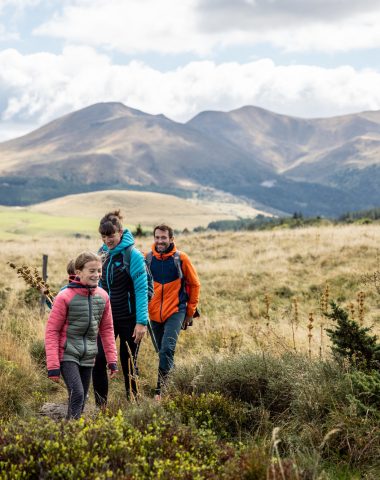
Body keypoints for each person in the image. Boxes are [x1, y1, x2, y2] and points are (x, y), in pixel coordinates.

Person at [45, 251, 118, 420]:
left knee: (81, 398)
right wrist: (53, 366)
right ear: (78, 272)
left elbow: (107, 330)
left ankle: (70, 433)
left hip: (89, 355)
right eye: (92, 271)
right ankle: (72, 432)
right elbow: (52, 331)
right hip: (67, 354)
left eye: (99, 270)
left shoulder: (103, 296)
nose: (97, 275)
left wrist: (112, 361)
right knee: (77, 393)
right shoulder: (64, 297)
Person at [93, 210, 149, 407]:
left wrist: (141, 322)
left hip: (130, 319)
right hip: (106, 319)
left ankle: (133, 404)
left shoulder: (132, 255)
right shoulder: (102, 255)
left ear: (120, 232)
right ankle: (101, 406)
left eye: (111, 235)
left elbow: (142, 289)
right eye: (104, 235)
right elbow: (96, 285)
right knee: (98, 358)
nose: (108, 239)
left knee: (128, 361)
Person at [147, 224, 200, 400]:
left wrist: (190, 312)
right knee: (163, 351)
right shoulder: (148, 259)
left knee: (167, 349)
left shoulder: (181, 259)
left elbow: (194, 285)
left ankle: (159, 391)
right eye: (157, 237)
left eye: (163, 237)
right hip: (154, 313)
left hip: (176, 311)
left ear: (171, 239)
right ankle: (176, 381)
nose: (160, 241)